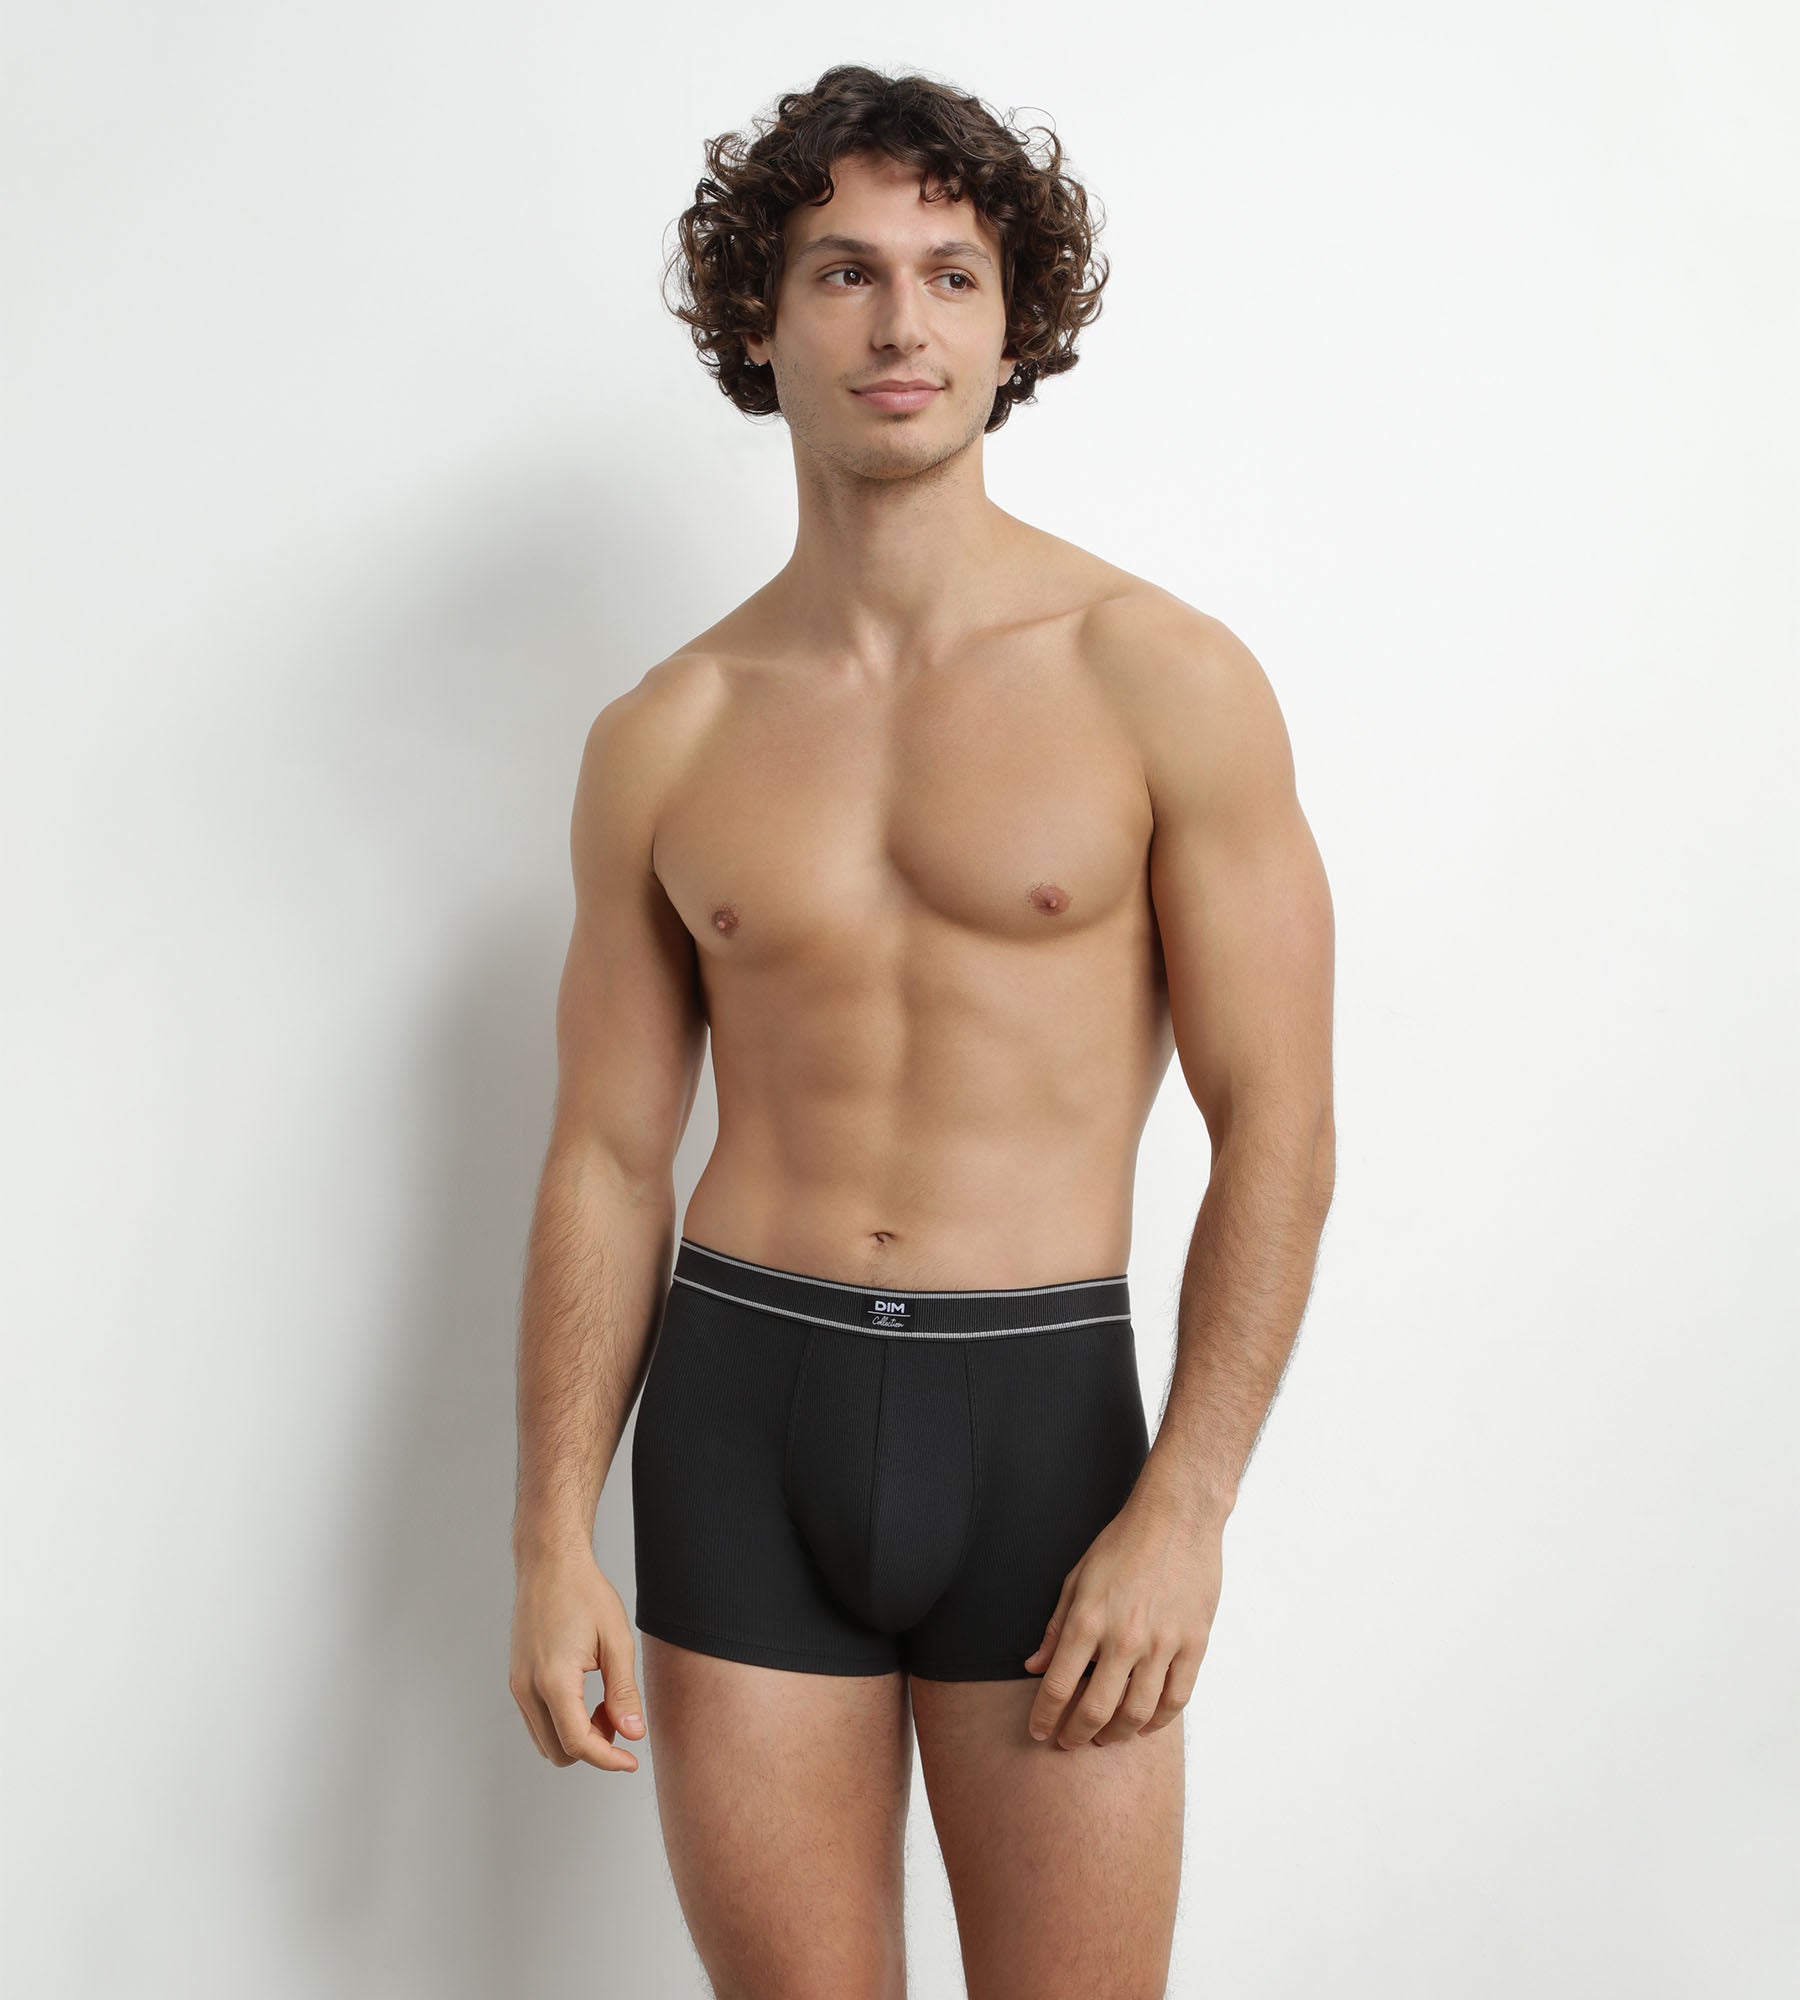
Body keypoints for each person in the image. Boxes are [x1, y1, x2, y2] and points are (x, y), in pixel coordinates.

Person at [508, 63, 1335, 2000]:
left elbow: (1279, 1123)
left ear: (1012, 325)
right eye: (847, 272)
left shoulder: (1159, 677)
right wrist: (548, 1532)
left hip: (1044, 1430)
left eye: (954, 276)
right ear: (760, 317)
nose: (903, 325)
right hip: (743, 1417)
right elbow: (610, 1152)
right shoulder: (668, 732)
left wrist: (1186, 1508)